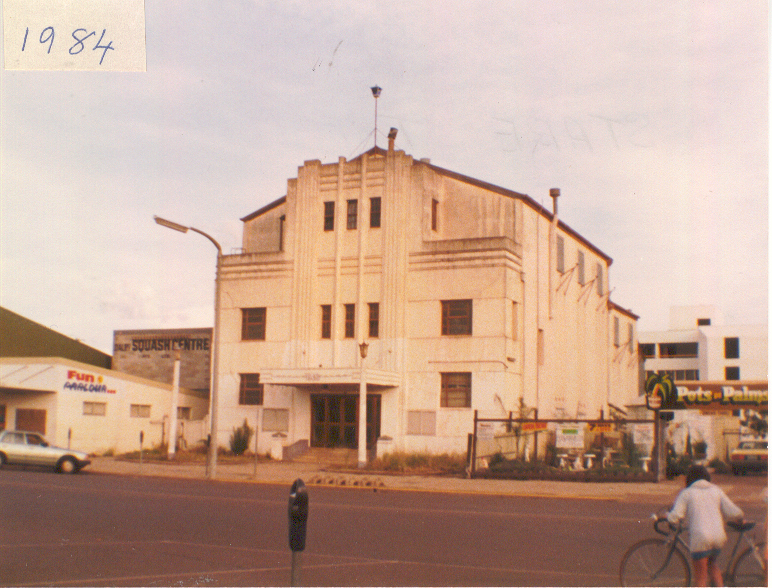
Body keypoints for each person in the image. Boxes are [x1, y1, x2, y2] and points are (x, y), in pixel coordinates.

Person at [667, 465, 743, 587]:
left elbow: (676, 516)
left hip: (701, 538)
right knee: (712, 566)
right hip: (718, 537)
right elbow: (733, 510)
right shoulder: (716, 490)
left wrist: (668, 516)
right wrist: (739, 517)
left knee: (701, 578)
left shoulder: (687, 493)